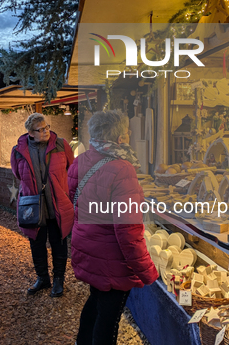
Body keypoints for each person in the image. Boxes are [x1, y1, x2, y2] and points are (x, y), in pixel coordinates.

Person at [68, 110, 158, 345]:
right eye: (126, 131)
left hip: (87, 246)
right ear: (120, 138)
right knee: (109, 318)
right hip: (112, 256)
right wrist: (147, 270)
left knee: (96, 300)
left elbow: (74, 199)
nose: (128, 134)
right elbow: (127, 229)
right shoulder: (122, 168)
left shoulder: (82, 159)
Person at [10, 113, 74, 297]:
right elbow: (17, 173)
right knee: (36, 244)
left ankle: (59, 280)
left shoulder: (61, 145)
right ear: (30, 132)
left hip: (57, 204)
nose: (46, 131)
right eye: (41, 129)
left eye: (47, 127)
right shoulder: (18, 151)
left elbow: (71, 169)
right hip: (32, 205)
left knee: (58, 242)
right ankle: (42, 278)